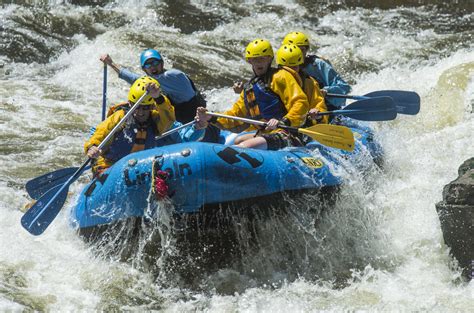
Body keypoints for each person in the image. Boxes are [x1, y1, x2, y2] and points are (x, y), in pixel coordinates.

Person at [198, 39, 309, 150]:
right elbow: (236, 116)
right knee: (238, 141)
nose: (258, 62)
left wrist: (285, 121)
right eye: (254, 59)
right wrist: (212, 117)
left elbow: (300, 103)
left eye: (262, 58)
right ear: (249, 61)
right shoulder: (249, 88)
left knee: (244, 146)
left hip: (287, 132)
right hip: (265, 133)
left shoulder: (281, 76)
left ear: (270, 59)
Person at [85, 76, 208, 176]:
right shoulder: (119, 117)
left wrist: (199, 126)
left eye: (146, 108)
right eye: (136, 107)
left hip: (141, 166)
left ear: (153, 107)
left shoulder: (158, 119)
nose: (140, 112)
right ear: (130, 104)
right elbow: (100, 133)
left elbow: (177, 128)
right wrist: (92, 147)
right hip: (110, 165)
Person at [100, 49, 220, 142]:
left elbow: (137, 80)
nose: (152, 67)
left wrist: (112, 64)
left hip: (202, 127)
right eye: (148, 65)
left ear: (161, 63)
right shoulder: (154, 84)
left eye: (155, 62)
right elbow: (136, 80)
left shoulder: (175, 76)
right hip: (180, 126)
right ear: (144, 69)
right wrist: (111, 64)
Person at [282, 31, 351, 111]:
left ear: (306, 50)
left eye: (302, 50)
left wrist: (326, 90)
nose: (299, 54)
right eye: (295, 51)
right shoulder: (282, 67)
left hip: (326, 110)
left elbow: (344, 88)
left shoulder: (318, 64)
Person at [275, 44, 329, 125]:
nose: (292, 71)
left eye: (295, 67)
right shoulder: (273, 80)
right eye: (288, 67)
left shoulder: (309, 83)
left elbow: (320, 107)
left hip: (300, 125)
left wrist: (318, 114)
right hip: (275, 125)